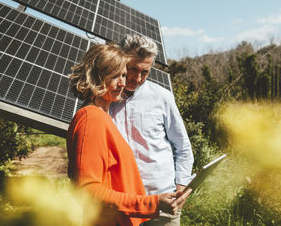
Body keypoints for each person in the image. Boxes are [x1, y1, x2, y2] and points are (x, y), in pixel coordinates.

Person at [67, 43, 191, 226]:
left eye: (123, 75)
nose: (123, 83)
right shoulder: (90, 118)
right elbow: (88, 190)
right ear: (97, 76)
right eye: (115, 75)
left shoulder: (102, 116)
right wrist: (152, 203)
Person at [109, 35, 194, 226]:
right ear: (121, 61)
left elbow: (183, 148)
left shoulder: (162, 97)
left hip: (162, 204)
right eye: (132, 69)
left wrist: (181, 187)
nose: (137, 78)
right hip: (122, 206)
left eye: (145, 72)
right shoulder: (105, 99)